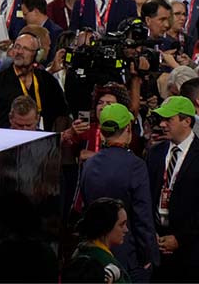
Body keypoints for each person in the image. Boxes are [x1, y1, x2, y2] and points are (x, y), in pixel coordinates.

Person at [145, 95, 199, 282]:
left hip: (195, 254)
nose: (162, 125)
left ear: (187, 121)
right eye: (161, 119)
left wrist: (180, 238)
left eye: (168, 120)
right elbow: (147, 195)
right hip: (160, 249)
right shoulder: (155, 153)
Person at [77, 101, 157, 282]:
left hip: (95, 254)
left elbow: (85, 207)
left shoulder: (89, 164)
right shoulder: (136, 165)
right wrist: (149, 256)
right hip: (129, 257)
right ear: (128, 128)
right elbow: (142, 216)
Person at [0, 30, 69, 131]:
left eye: (25, 49)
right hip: (9, 143)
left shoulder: (48, 81)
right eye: (17, 47)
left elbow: (62, 114)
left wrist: (56, 139)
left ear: (36, 54)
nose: (19, 52)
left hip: (42, 143)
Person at [62, 198, 133, 284]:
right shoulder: (99, 262)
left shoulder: (84, 250)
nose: (126, 230)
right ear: (106, 227)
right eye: (122, 224)